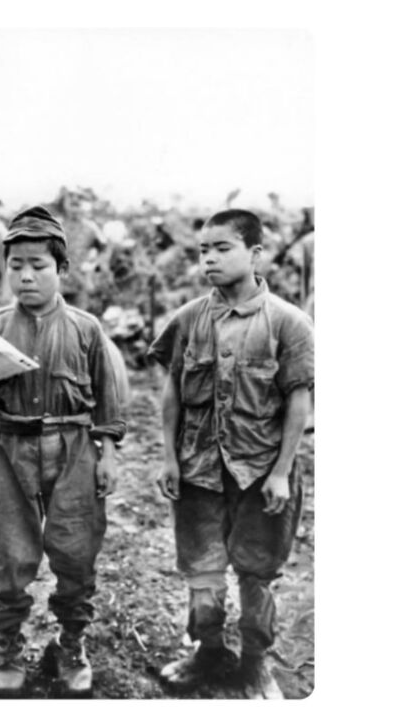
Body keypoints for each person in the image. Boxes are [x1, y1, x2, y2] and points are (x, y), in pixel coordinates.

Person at [148, 209, 314, 699]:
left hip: (261, 470)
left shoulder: (288, 323)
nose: (210, 259)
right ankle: (208, 651)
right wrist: (170, 459)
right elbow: (173, 392)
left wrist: (281, 472)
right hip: (199, 469)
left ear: (255, 253)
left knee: (257, 569)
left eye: (223, 248)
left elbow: (298, 401)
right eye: (204, 250)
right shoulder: (189, 320)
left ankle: (256, 662)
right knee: (201, 567)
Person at [0, 206, 125, 698]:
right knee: (9, 556)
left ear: (62, 270)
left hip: (73, 448)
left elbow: (109, 397)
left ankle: (70, 643)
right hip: (7, 449)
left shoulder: (86, 328)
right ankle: (6, 646)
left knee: (76, 552)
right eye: (16, 265)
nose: (26, 275)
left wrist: (109, 453)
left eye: (39, 264)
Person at [54, 187, 107, 310]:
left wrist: (92, 266)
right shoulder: (55, 227)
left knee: (79, 322)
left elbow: (105, 249)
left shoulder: (91, 228)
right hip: (58, 284)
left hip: (81, 284)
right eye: (71, 196)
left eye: (79, 198)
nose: (75, 200)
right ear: (64, 202)